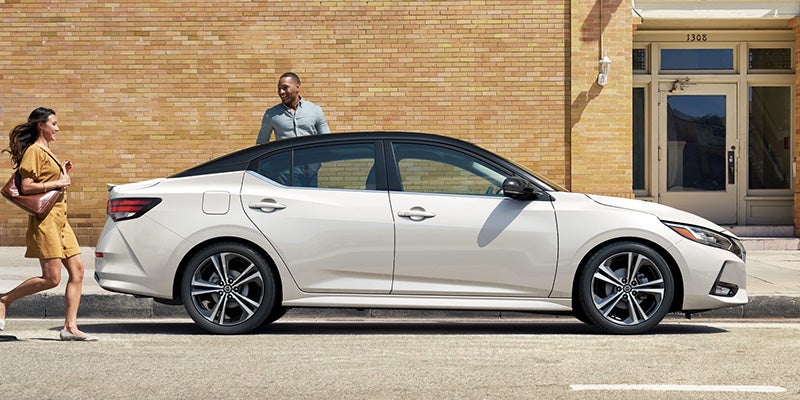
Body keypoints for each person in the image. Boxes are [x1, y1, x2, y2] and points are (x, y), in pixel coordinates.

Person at [0, 107, 98, 341]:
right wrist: (58, 182)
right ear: (40, 125)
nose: (57, 128)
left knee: (78, 271)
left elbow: (49, 179)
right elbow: (26, 187)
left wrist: (61, 172)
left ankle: (70, 328)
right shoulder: (34, 150)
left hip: (61, 221)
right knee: (51, 278)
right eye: (53, 124)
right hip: (46, 222)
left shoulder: (47, 150)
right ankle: (4, 300)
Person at [256, 72, 331, 144]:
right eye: (279, 88)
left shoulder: (315, 110)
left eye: (285, 87)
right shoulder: (271, 114)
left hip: (311, 156)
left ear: (297, 87)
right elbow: (261, 143)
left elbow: (327, 140)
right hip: (285, 157)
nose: (281, 92)